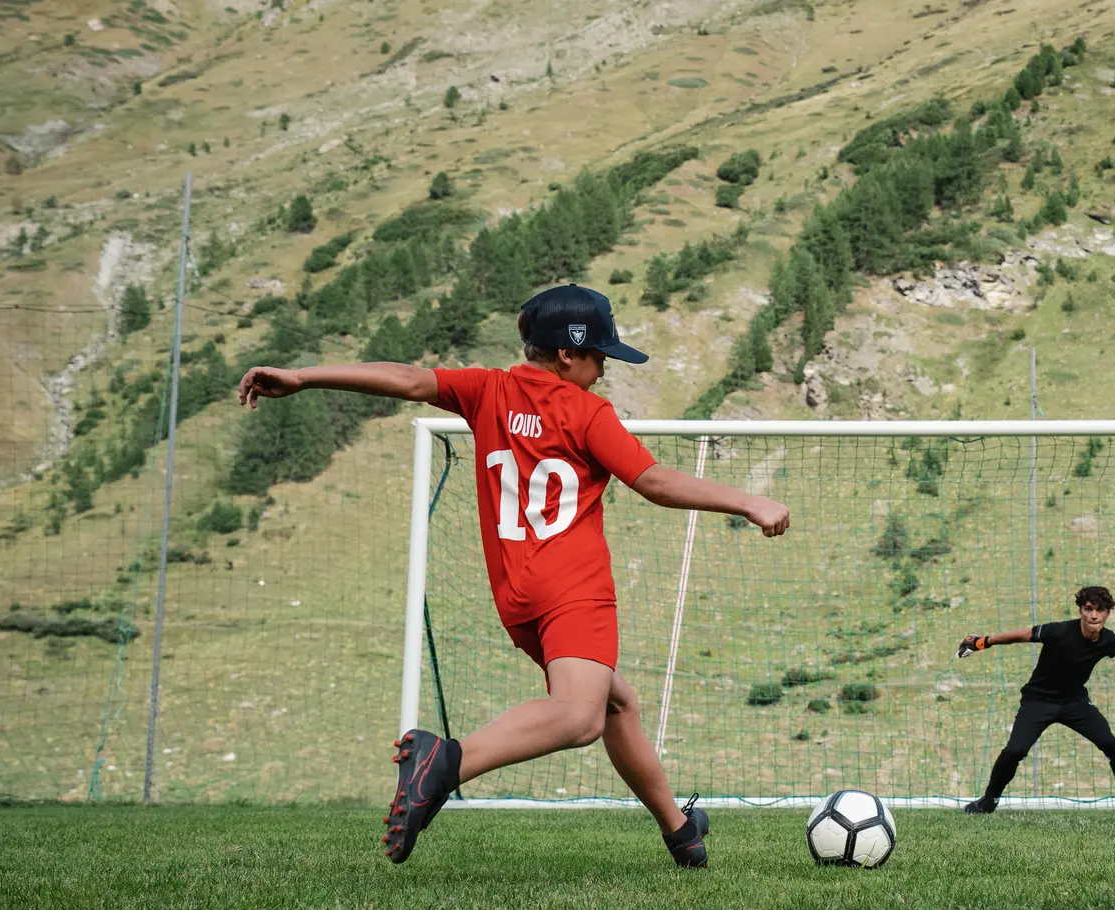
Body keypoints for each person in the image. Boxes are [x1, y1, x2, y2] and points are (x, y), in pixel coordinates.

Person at [236, 283, 789, 867]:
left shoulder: (487, 390)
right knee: (578, 717)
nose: (605, 368)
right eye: (600, 355)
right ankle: (445, 764)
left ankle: (681, 831)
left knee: (614, 705)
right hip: (574, 590)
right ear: (569, 354)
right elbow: (651, 481)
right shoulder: (586, 411)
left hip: (516, 596)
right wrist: (747, 500)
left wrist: (303, 376)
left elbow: (405, 378)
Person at [956, 585, 1115, 814]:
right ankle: (988, 800)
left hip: (1075, 703)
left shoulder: (1107, 640)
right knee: (1015, 750)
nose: (1093, 615)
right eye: (1088, 609)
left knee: (1111, 746)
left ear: (1108, 613)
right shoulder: (1059, 632)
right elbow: (1022, 635)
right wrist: (983, 641)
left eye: (1100, 609)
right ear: (1080, 610)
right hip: (1038, 701)